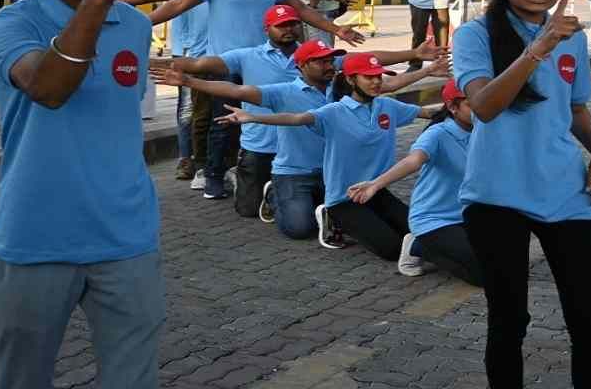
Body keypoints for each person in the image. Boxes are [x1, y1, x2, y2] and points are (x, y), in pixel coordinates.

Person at [0, 0, 162, 388]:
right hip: (35, 240)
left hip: (126, 239)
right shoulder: (10, 26)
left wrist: (107, 3)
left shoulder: (133, 25)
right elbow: (49, 87)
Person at [452, 0, 591, 389]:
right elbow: (483, 106)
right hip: (496, 196)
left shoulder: (572, 38)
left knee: (590, 322)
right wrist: (537, 49)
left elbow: (576, 107)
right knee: (509, 322)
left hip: (566, 193)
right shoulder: (474, 34)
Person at [144, 0, 365, 201]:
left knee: (263, 121)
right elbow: (179, 4)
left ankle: (259, 172)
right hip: (223, 64)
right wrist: (141, 24)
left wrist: (337, 30)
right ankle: (213, 175)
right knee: (221, 122)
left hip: (261, 64)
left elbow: (301, 9)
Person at [154, 38, 445, 238]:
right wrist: (191, 81)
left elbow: (386, 81)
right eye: (320, 61)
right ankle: (274, 193)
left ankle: (325, 206)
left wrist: (427, 68)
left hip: (333, 173)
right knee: (298, 229)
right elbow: (239, 92)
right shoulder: (282, 91)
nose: (329, 65)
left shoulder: (342, 89)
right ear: (301, 66)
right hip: (295, 171)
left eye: (331, 60)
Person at [221, 52, 441, 265]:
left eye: (378, 76)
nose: (376, 82)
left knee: (418, 228)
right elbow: (296, 118)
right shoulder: (333, 112)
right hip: (344, 198)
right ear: (351, 79)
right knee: (391, 249)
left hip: (374, 190)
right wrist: (252, 117)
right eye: (369, 77)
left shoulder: (388, 106)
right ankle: (328, 213)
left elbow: (430, 114)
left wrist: (464, 105)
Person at [347, 79, 483, 285]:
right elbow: (414, 160)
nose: (482, 109)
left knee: (507, 261)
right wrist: (375, 184)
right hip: (435, 219)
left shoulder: (485, 130)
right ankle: (419, 246)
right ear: (453, 107)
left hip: (470, 216)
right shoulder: (438, 134)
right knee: (485, 276)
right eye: (473, 104)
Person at [128, 0, 233, 181]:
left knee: (224, 111)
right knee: (190, 112)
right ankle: (189, 161)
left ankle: (220, 165)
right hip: (190, 50)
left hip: (225, 53)